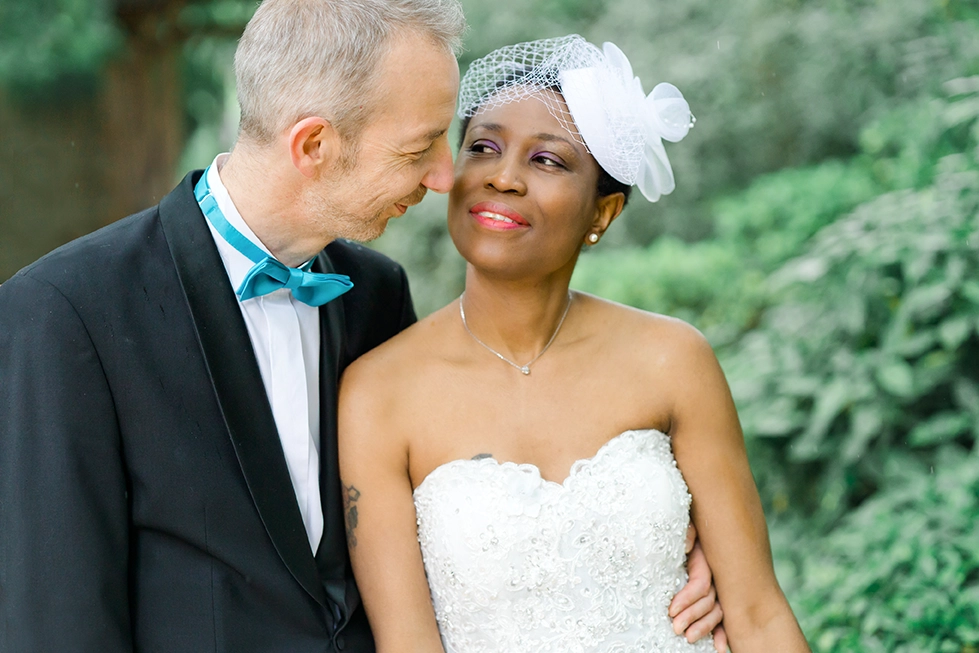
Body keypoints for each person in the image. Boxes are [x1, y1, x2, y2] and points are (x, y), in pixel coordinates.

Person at [0, 3, 720, 652]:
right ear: (314, 145)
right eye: (418, 149)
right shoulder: (65, 316)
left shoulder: (375, 294)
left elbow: (436, 530)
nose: (446, 176)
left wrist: (646, 557)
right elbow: (57, 620)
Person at [338, 35, 810, 652]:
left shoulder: (674, 360)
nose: (502, 178)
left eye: (548, 161)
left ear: (603, 213)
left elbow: (757, 610)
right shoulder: (378, 392)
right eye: (484, 147)